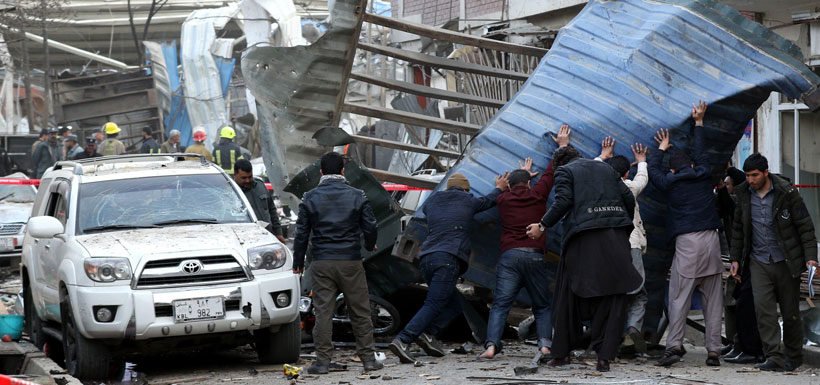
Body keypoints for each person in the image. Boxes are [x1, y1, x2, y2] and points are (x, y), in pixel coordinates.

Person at [526, 140, 639, 373]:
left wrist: (542, 225)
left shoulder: (566, 171)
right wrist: (620, 226)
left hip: (584, 239)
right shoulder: (607, 168)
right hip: (615, 238)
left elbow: (564, 201)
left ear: (558, 165)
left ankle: (561, 354)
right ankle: (604, 357)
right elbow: (628, 198)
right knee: (613, 297)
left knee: (568, 294)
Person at [390, 171, 509, 363]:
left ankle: (428, 334)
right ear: (465, 189)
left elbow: (432, 215)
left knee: (453, 303)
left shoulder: (432, 201)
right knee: (434, 302)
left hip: (427, 258)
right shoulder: (467, 200)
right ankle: (404, 339)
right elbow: (489, 201)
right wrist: (499, 188)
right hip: (448, 258)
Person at [479, 125, 569, 361]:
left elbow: (497, 194)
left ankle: (491, 347)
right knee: (541, 305)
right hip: (534, 255)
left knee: (500, 305)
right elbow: (550, 172)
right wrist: (562, 145)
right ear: (529, 183)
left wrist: (508, 182)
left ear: (509, 186)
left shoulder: (502, 199)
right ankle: (545, 346)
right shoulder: (537, 194)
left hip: (509, 256)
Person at [648, 101, 724, 367]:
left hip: (688, 242)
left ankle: (674, 347)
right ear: (690, 165)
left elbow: (654, 175)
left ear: (673, 170)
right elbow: (701, 153)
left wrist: (659, 149)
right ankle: (714, 351)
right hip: (712, 240)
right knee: (713, 300)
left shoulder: (671, 183)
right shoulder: (703, 175)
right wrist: (699, 122)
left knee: (679, 296)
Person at [292, 152, 382, 374]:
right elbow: (370, 226)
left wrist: (299, 262)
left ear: (321, 172)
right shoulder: (357, 195)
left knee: (323, 312)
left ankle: (322, 362)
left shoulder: (309, 197)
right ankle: (369, 360)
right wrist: (370, 245)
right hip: (350, 261)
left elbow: (301, 233)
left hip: (322, 263)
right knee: (360, 311)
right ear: (343, 170)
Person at [729, 153, 818, 371]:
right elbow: (739, 230)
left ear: (765, 173)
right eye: (748, 175)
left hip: (786, 261)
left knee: (790, 313)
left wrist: (811, 257)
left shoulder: (787, 194)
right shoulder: (744, 195)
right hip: (759, 261)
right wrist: (735, 259)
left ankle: (793, 355)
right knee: (764, 311)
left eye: (755, 175)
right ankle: (774, 356)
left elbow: (805, 226)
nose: (750, 180)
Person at [596, 137, 650, 356]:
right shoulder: (629, 188)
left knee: (611, 292)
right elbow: (642, 179)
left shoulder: (599, 187)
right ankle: (632, 329)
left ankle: (607, 337)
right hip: (632, 245)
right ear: (626, 174)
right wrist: (642, 160)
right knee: (638, 292)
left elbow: (593, 169)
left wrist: (602, 155)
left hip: (608, 247)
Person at [719, 167, 764, 364]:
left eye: (729, 184)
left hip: (748, 261)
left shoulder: (741, 201)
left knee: (742, 304)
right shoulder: (740, 202)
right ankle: (737, 343)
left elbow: (727, 207)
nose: (727, 188)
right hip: (736, 259)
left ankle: (748, 346)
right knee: (733, 304)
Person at [233, 159, 285, 242]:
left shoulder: (260, 186)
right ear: (235, 175)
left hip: (267, 235)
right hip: (245, 239)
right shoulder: (230, 192)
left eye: (250, 177)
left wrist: (278, 233)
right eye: (243, 178)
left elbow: (271, 210)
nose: (247, 180)